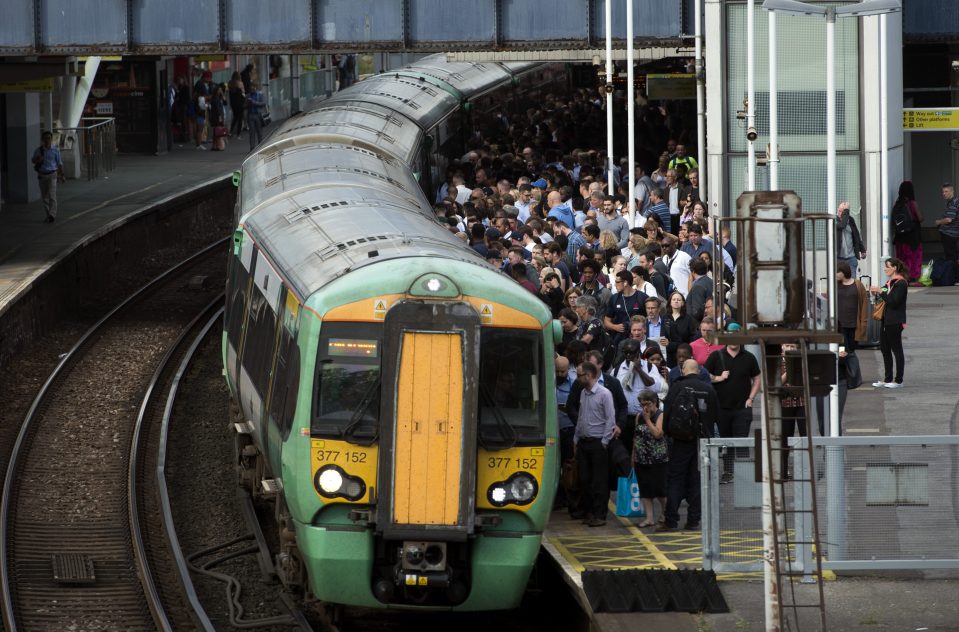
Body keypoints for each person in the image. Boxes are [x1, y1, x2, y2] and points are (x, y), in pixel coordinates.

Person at [658, 359, 717, 532]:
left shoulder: (677, 387)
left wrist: (669, 433)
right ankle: (693, 521)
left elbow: (667, 412)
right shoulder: (708, 389)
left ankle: (671, 521)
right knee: (696, 480)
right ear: (698, 371)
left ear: (683, 370)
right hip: (701, 442)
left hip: (680, 441)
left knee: (675, 479)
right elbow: (715, 415)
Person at [704, 324, 761, 483]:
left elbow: (757, 378)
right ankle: (728, 471)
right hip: (722, 408)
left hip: (742, 408)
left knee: (742, 442)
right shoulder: (716, 356)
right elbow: (704, 374)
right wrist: (718, 378)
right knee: (726, 441)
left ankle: (744, 475)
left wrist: (751, 398)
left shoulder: (749, 357)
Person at [571, 361, 619, 527]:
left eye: (580, 375)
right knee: (585, 480)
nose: (577, 379)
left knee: (599, 481)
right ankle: (589, 511)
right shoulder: (584, 393)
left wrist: (604, 442)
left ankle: (600, 514)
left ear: (589, 375)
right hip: (584, 442)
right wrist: (576, 439)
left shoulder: (604, 394)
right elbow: (581, 417)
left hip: (598, 443)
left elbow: (610, 419)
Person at [870, 258, 909, 388]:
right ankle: (887, 379)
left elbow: (894, 301)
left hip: (895, 320)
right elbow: (885, 298)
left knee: (896, 349)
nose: (885, 269)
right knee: (885, 349)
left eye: (887, 266)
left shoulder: (901, 283)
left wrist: (881, 292)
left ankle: (899, 380)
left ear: (895, 268)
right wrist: (877, 292)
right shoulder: (889, 282)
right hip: (886, 320)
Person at [633, 389, 668, 527]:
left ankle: (665, 512)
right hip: (642, 457)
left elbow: (658, 434)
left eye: (646, 404)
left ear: (654, 403)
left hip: (658, 458)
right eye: (642, 405)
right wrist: (633, 455)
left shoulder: (661, 415)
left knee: (660, 489)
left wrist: (647, 420)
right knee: (645, 488)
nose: (644, 408)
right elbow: (636, 437)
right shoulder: (638, 416)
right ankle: (649, 518)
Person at [890, 182, 922, 281]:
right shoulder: (912, 203)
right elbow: (920, 218)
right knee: (914, 256)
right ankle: (912, 277)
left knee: (902, 257)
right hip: (912, 236)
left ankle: (901, 276)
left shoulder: (897, 204)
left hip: (900, 236)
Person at [31, 131, 65, 223]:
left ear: (51, 139)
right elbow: (33, 161)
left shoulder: (55, 150)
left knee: (52, 195)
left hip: (52, 174)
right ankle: (48, 214)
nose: (47, 140)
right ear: (42, 140)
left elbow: (59, 163)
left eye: (49, 138)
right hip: (42, 175)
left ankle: (52, 215)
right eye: (45, 138)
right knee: (44, 197)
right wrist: (37, 159)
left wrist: (62, 175)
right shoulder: (38, 150)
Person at [836, 260, 869, 351]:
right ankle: (847, 365)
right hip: (839, 325)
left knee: (851, 350)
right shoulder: (835, 285)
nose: (835, 274)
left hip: (854, 324)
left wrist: (864, 324)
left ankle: (851, 364)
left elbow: (864, 305)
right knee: (842, 351)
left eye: (837, 272)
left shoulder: (858, 284)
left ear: (844, 272)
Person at [662, 290, 698, 367]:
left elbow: (693, 337)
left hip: (683, 355)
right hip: (667, 355)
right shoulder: (664, 318)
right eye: (674, 299)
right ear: (670, 302)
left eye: (679, 300)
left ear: (682, 303)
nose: (676, 301)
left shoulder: (689, 319)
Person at [834, 201, 867, 280]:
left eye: (843, 211)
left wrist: (862, 250)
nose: (841, 213)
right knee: (839, 281)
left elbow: (856, 235)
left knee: (852, 280)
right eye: (840, 210)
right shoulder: (833, 220)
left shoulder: (850, 220)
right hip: (839, 258)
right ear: (837, 209)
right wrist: (846, 211)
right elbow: (842, 225)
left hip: (851, 257)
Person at [936, 183, 959, 281]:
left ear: (952, 192)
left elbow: (949, 219)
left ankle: (954, 277)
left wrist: (938, 222)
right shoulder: (951, 202)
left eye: (946, 191)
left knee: (951, 257)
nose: (944, 194)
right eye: (943, 192)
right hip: (952, 234)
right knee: (955, 256)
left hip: (950, 235)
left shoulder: (953, 203)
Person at [245, 82, 266, 151]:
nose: (252, 89)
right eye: (250, 88)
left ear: (255, 88)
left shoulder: (260, 95)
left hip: (258, 115)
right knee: (252, 132)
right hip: (250, 115)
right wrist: (247, 104)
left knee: (259, 132)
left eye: (253, 88)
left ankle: (260, 147)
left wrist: (254, 102)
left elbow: (263, 103)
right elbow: (244, 106)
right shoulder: (248, 96)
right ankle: (252, 148)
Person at [228, 71, 246, 138]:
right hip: (240, 103)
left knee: (235, 118)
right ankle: (238, 134)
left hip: (233, 103)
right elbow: (243, 93)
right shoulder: (240, 83)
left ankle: (231, 132)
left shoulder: (230, 83)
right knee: (240, 118)